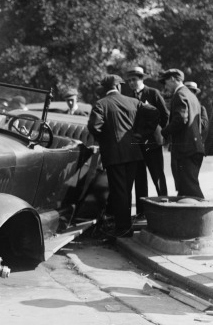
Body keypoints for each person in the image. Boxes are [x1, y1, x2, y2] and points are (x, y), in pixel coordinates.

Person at [88, 75, 148, 239]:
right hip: (134, 153)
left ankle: (123, 229)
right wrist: (139, 136)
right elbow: (151, 117)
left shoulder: (101, 104)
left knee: (120, 192)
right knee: (126, 191)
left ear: (105, 88)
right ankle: (123, 226)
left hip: (114, 155)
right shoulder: (134, 102)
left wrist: (106, 140)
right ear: (119, 86)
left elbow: (94, 126)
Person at [125, 66, 169, 216]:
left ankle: (165, 208)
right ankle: (141, 212)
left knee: (157, 175)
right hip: (136, 145)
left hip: (152, 143)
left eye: (134, 79)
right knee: (139, 179)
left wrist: (157, 133)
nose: (131, 83)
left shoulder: (153, 93)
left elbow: (165, 116)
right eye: (129, 80)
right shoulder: (128, 96)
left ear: (141, 79)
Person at [161, 69, 207, 198]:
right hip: (193, 148)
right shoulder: (190, 95)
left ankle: (203, 216)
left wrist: (164, 132)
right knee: (185, 190)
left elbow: (181, 119)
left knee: (191, 189)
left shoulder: (180, 94)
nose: (165, 86)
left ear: (173, 79)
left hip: (186, 150)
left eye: (165, 82)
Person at [185, 81, 213, 155]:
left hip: (194, 143)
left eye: (192, 92)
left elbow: (205, 125)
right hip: (179, 144)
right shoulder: (179, 107)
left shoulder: (201, 108)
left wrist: (190, 119)